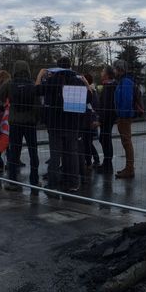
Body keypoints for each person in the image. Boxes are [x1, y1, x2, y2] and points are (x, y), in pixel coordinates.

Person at [37, 57, 88, 192]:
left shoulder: (52, 80)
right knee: (72, 154)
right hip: (72, 123)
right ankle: (73, 182)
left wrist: (40, 76)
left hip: (55, 123)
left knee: (55, 155)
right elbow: (88, 98)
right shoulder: (77, 81)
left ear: (57, 67)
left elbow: (38, 91)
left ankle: (53, 183)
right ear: (69, 66)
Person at [0, 60, 41, 192]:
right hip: (30, 122)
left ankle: (13, 181)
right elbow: (38, 105)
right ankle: (34, 180)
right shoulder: (32, 84)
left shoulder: (10, 84)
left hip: (15, 122)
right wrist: (36, 119)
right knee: (33, 151)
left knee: (14, 153)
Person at [113, 59, 136, 179]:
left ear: (120, 70)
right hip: (123, 116)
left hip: (124, 117)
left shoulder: (125, 81)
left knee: (127, 142)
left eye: (115, 69)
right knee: (126, 142)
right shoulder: (123, 80)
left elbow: (127, 100)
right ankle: (129, 167)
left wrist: (122, 115)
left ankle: (130, 168)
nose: (114, 71)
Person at [96, 66, 117, 174]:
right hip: (108, 117)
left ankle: (108, 164)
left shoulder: (109, 87)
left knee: (105, 139)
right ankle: (107, 163)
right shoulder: (108, 85)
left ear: (107, 75)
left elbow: (107, 106)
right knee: (104, 139)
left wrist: (101, 119)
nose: (101, 72)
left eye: (103, 71)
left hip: (107, 118)